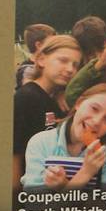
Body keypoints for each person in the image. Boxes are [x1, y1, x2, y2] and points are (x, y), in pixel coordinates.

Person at [21, 83, 106, 190]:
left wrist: (68, 184)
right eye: (94, 108)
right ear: (79, 103)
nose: (96, 121)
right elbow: (35, 205)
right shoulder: (41, 143)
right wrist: (84, 175)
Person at [13, 35, 82, 190]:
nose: (70, 69)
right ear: (42, 60)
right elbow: (15, 153)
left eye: (75, 65)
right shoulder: (26, 98)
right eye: (63, 61)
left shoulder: (56, 98)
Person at [15, 22, 56, 88]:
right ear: (39, 45)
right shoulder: (26, 70)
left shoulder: (50, 64)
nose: (55, 45)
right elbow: (30, 94)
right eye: (52, 42)